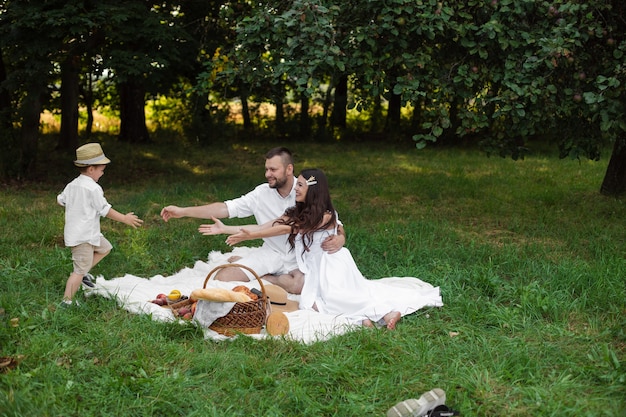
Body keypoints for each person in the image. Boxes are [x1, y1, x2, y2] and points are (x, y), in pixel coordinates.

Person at [198, 168, 443, 329]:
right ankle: (367, 319)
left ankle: (387, 314)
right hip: (314, 267)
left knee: (339, 299)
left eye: (301, 186)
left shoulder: (325, 215)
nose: (296, 188)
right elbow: (271, 224)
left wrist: (251, 234)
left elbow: (285, 229)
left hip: (333, 264)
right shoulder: (296, 211)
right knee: (314, 302)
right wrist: (227, 229)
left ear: (312, 190)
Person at [160, 147, 345, 294]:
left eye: (273, 169)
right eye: (266, 169)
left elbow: (334, 223)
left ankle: (263, 277)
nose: (267, 174)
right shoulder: (261, 193)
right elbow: (226, 208)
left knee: (299, 287)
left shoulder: (305, 190)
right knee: (223, 278)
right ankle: (259, 270)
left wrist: (341, 238)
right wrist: (184, 211)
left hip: (300, 259)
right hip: (271, 252)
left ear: (289, 169)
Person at [57, 143, 143, 307]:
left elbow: (60, 200)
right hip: (83, 236)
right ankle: (67, 301)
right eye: (101, 170)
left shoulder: (72, 184)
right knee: (78, 271)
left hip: (85, 233)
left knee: (105, 248)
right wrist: (124, 218)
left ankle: (84, 274)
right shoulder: (93, 189)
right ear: (91, 169)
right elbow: (105, 210)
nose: (102, 174)